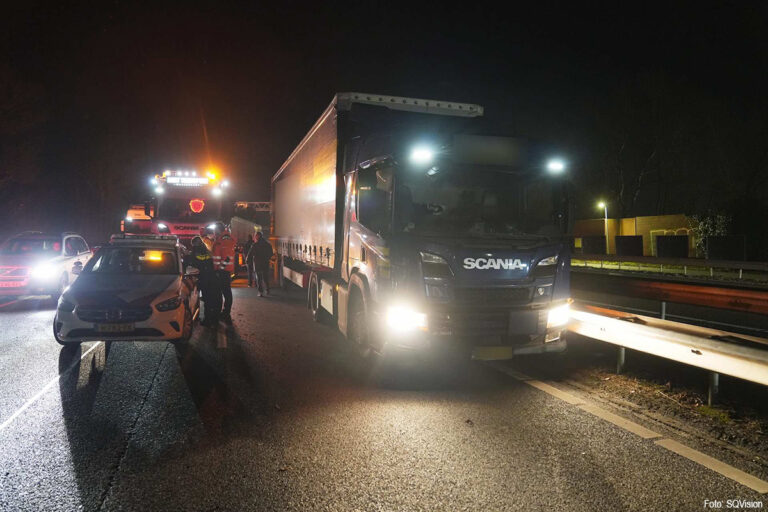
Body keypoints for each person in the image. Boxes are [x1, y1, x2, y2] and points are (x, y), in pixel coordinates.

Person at [184, 236, 221, 327]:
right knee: (212, 299)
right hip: (212, 277)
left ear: (194, 244)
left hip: (203, 279)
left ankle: (207, 320)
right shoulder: (207, 251)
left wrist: (187, 256)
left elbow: (191, 264)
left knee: (207, 299)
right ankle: (215, 320)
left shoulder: (194, 252)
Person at [211, 224, 236, 322]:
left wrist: (218, 270)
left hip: (221, 271)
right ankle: (226, 312)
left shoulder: (221, 241)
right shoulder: (228, 239)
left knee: (221, 292)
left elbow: (222, 258)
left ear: (218, 230)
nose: (214, 232)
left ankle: (223, 313)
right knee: (227, 292)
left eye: (215, 230)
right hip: (226, 270)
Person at [247, 231, 273, 296]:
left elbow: (250, 254)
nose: (255, 237)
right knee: (265, 277)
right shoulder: (268, 244)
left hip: (257, 263)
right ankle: (267, 290)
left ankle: (260, 292)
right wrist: (267, 258)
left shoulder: (255, 245)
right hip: (265, 263)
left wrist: (247, 260)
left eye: (256, 235)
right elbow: (271, 253)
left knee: (259, 278)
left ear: (258, 236)